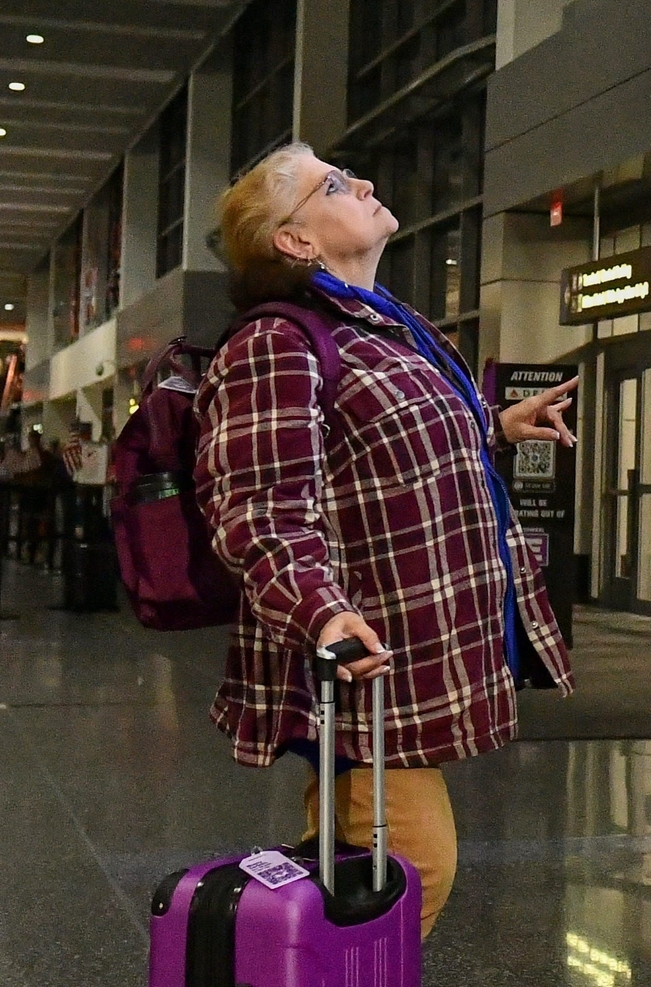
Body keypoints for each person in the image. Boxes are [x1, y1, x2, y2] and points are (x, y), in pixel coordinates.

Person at [195, 142, 579, 937]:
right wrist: (320, 613)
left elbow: (376, 453)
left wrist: (495, 429)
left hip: (409, 650)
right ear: (294, 241)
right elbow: (256, 509)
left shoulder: (380, 325)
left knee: (352, 866)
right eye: (333, 185)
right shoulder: (275, 343)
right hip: (367, 658)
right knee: (410, 871)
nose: (364, 182)